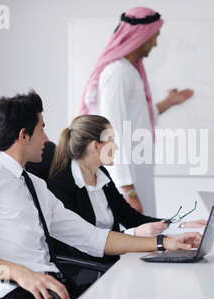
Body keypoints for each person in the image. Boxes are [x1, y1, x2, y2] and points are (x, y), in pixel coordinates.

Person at [0, 90, 202, 299]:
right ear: (23, 136)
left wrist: (163, 244)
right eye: (42, 129)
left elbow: (91, 237)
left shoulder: (33, 185)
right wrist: (20, 274)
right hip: (15, 290)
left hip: (52, 285)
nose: (46, 138)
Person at [47, 115, 206, 282]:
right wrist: (135, 234)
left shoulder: (102, 176)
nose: (116, 147)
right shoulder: (62, 185)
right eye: (112, 140)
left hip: (112, 262)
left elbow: (132, 218)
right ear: (95, 146)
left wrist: (180, 225)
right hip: (85, 269)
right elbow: (81, 245)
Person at [80, 7, 194, 216]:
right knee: (135, 237)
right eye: (154, 38)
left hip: (136, 170)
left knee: (147, 233)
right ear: (141, 36)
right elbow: (112, 132)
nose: (155, 44)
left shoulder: (128, 70)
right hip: (125, 178)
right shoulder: (117, 72)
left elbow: (138, 117)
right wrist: (127, 190)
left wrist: (168, 102)